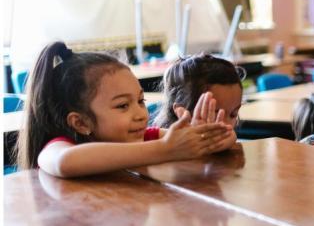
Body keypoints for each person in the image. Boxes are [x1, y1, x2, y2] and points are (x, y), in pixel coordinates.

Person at [17, 42, 234, 178]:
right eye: (123, 105)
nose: (140, 114)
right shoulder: (59, 147)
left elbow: (195, 144)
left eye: (140, 101)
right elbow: (64, 162)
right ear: (81, 123)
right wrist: (166, 149)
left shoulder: (143, 138)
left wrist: (212, 139)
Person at [155, 53, 244, 134]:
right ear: (182, 113)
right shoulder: (167, 148)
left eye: (233, 114)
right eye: (214, 114)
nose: (227, 126)